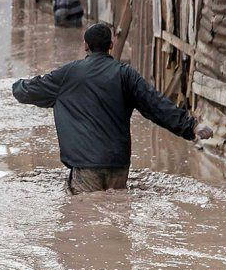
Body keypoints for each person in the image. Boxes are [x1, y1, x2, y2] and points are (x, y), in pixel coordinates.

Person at [11, 23, 213, 194]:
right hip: (119, 166)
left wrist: (16, 84)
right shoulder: (126, 75)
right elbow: (156, 104)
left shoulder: (68, 75)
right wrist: (191, 127)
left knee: (86, 223)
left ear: (85, 46)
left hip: (86, 167)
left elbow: (28, 91)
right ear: (111, 45)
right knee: (115, 219)